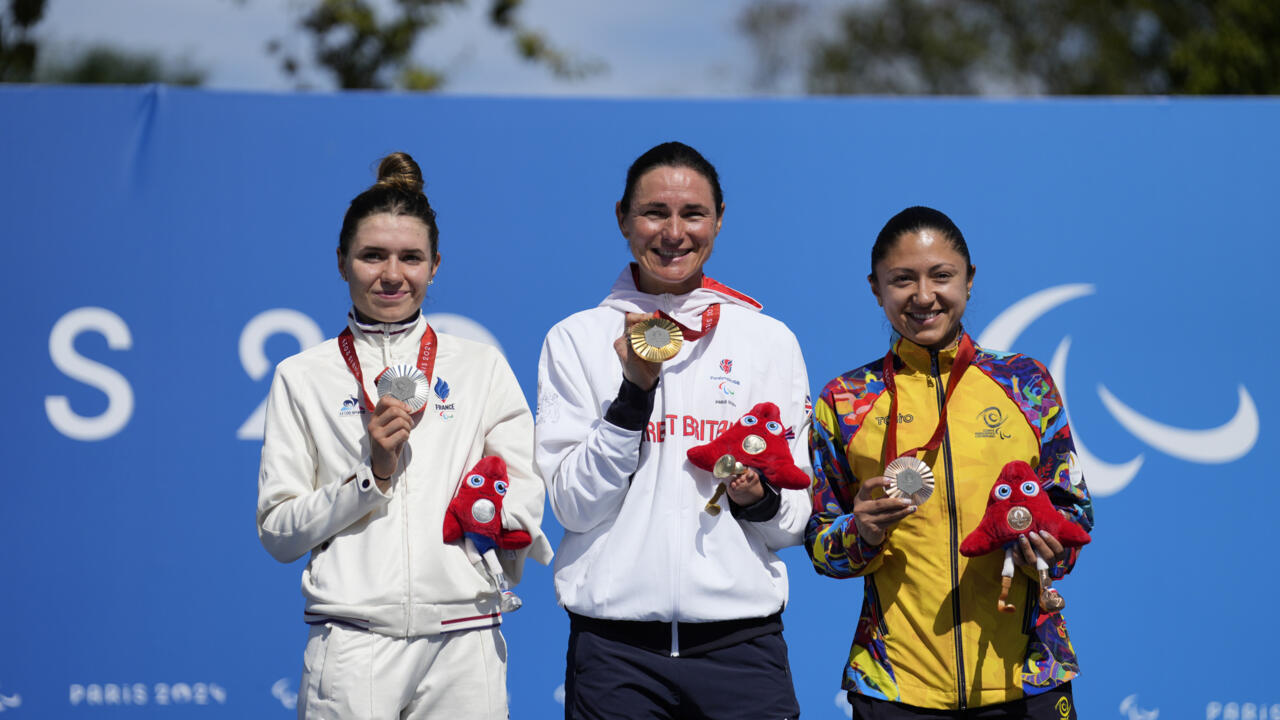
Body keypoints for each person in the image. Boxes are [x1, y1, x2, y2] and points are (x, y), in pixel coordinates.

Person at [256, 151, 552, 720]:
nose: (392, 274)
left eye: (410, 257)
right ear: (341, 262)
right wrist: (371, 477)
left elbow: (524, 496)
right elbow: (277, 532)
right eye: (372, 256)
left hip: (466, 644)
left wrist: (491, 526)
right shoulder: (302, 375)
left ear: (436, 265)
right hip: (353, 642)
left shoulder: (480, 367)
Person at [534, 141, 811, 720]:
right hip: (616, 654)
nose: (674, 233)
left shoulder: (768, 341)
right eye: (655, 213)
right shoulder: (576, 340)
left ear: (719, 219)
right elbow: (573, 508)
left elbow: (791, 523)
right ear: (622, 219)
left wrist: (758, 499)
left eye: (693, 214)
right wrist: (634, 393)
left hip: (742, 648)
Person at [806, 206, 1094, 719]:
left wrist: (1043, 550)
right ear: (876, 288)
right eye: (902, 280)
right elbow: (822, 546)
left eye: (941, 275)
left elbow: (1074, 515)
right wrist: (861, 533)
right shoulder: (846, 400)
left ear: (969, 279)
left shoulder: (1025, 384)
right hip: (896, 688)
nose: (923, 296)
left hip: (1029, 678)